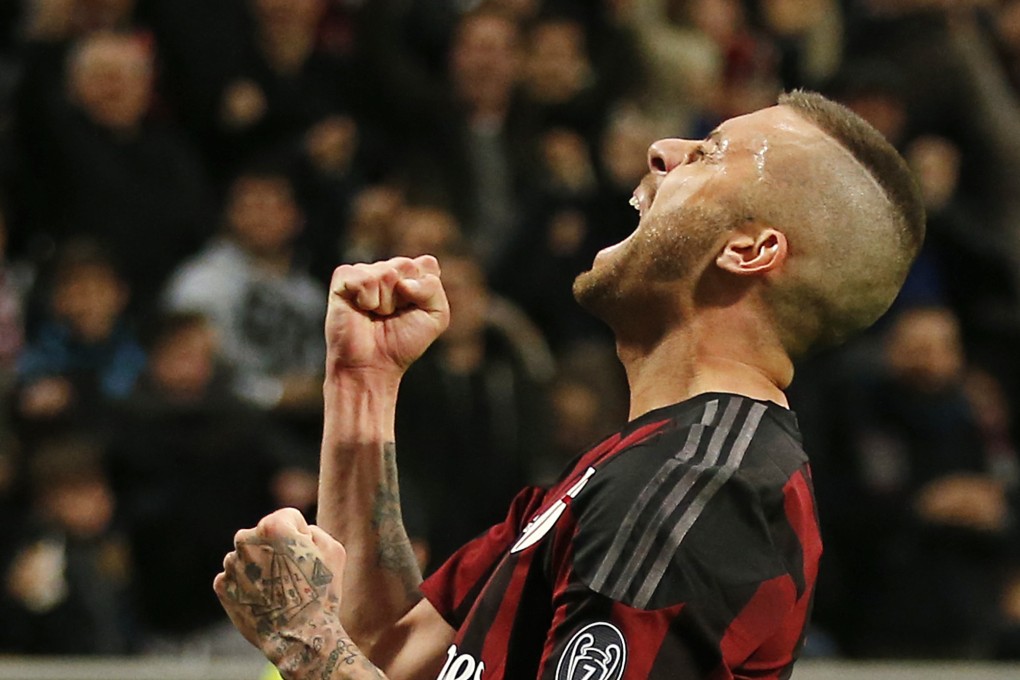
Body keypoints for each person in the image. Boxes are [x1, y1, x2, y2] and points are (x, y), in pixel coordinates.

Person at [213, 90, 925, 679]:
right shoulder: (638, 467)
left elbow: (339, 651)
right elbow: (386, 643)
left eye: (708, 153)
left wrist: (306, 644)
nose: (664, 151)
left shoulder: (705, 483)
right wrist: (362, 382)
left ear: (750, 249)